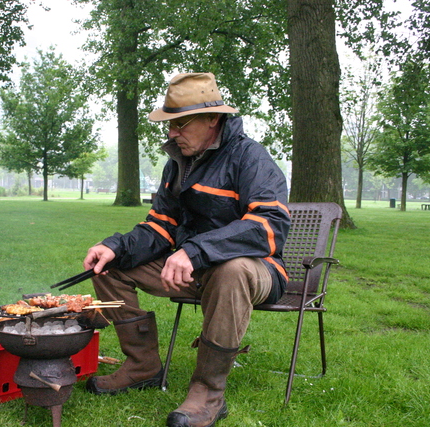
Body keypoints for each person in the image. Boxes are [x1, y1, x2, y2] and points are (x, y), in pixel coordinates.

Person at [82, 72, 290, 427]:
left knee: (231, 269)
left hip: (256, 271)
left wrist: (195, 251)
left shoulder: (250, 157)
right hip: (191, 268)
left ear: (213, 119)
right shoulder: (177, 162)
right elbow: (161, 226)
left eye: (181, 123)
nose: (172, 133)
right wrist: (115, 246)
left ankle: (208, 393)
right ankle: (141, 366)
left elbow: (269, 227)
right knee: (107, 267)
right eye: (170, 124)